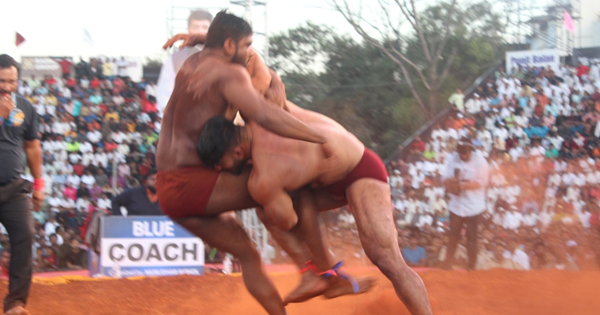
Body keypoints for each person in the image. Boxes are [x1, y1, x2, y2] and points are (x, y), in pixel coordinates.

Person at [156, 11, 326, 315]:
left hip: (169, 190)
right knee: (274, 183)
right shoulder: (229, 73)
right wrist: (319, 137)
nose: (250, 52)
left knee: (248, 254)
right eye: (247, 45)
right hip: (191, 181)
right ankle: (316, 270)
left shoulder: (190, 64)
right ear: (230, 45)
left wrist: (199, 39)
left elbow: (216, 49)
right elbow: (264, 114)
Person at [196, 104, 434, 315]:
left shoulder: (265, 176)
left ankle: (321, 274)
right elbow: (248, 67)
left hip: (358, 169)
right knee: (268, 206)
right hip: (322, 180)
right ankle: (320, 275)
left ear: (237, 151)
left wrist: (273, 197)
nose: (222, 171)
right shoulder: (257, 106)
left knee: (387, 259)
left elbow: (288, 222)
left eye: (222, 165)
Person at [0, 54, 44, 315]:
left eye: (12, 81)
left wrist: (39, 183)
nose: (6, 86)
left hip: (15, 187)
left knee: (25, 236)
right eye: (1, 81)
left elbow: (32, 146)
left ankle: (15, 303)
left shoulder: (26, 108)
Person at [441, 138, 489, 270]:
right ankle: (447, 264)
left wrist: (462, 186)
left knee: (471, 237)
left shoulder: (480, 161)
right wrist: (450, 184)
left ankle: (471, 266)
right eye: (460, 153)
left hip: (474, 205)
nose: (463, 155)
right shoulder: (453, 159)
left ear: (471, 150)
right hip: (456, 204)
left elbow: (482, 182)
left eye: (465, 153)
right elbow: (445, 176)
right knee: (453, 234)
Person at [157, 9, 213, 115]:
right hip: (184, 121)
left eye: (205, 27)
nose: (200, 32)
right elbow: (164, 96)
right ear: (188, 29)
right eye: (196, 27)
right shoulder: (174, 60)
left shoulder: (224, 57)